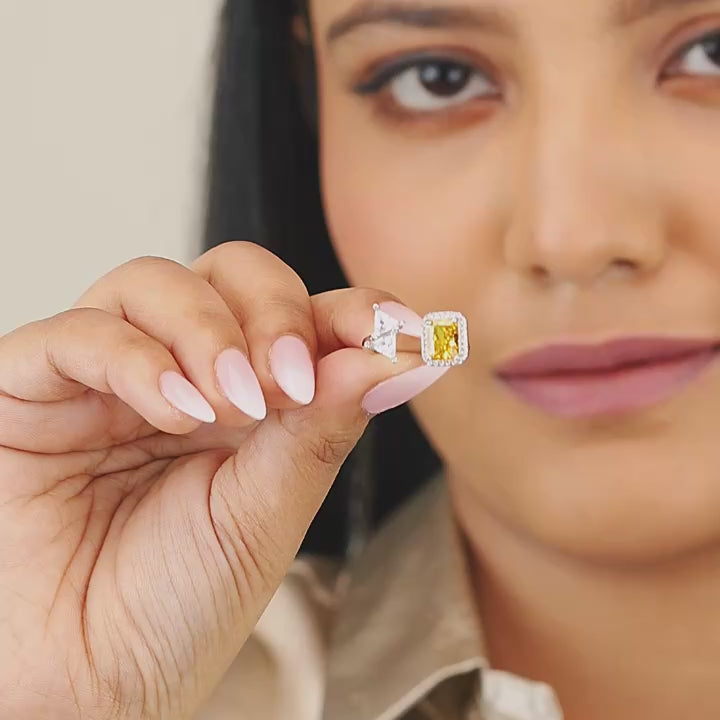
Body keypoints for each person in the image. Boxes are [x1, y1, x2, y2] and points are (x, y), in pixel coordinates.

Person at [4, 0, 720, 718]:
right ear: (308, 95)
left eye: (712, 50)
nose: (572, 240)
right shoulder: (125, 683)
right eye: (436, 77)